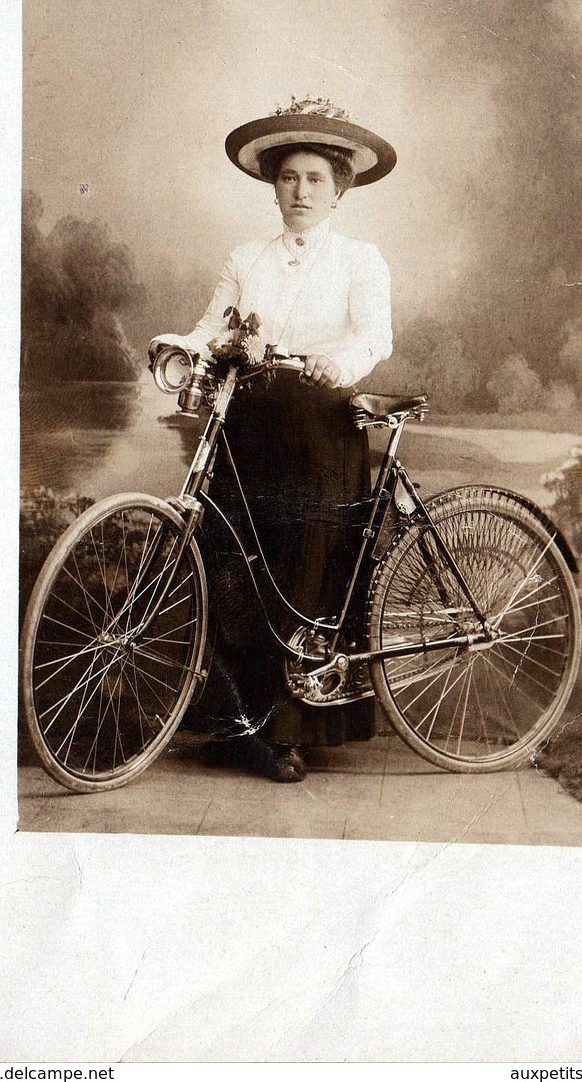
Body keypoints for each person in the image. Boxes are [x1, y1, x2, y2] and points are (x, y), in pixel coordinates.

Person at [149, 97, 396, 782]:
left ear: (340, 189)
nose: (301, 191)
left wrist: (338, 362)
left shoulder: (359, 259)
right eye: (289, 177)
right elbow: (213, 329)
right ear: (273, 184)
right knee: (233, 569)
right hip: (247, 430)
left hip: (320, 430)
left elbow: (374, 336)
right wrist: (181, 343)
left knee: (302, 571)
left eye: (316, 179)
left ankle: (291, 731)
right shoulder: (245, 256)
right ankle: (234, 723)